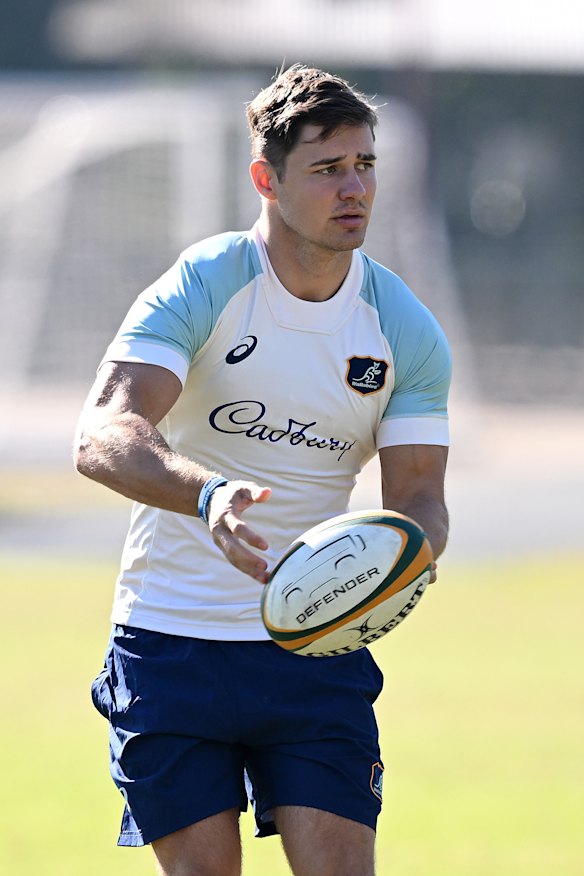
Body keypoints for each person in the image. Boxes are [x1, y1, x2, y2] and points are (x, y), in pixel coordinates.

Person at [74, 64, 451, 876]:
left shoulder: (402, 328)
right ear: (266, 181)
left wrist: (401, 561)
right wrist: (204, 493)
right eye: (327, 169)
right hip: (171, 642)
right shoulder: (207, 283)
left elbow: (420, 496)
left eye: (365, 165)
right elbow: (103, 431)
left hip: (315, 646)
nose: (354, 188)